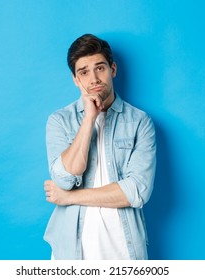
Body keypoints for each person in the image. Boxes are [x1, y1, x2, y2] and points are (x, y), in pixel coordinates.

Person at [43, 34, 156, 260]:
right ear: (76, 79)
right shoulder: (59, 121)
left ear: (112, 69)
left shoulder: (140, 122)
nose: (93, 78)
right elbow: (64, 179)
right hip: (72, 253)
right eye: (83, 72)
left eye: (100, 68)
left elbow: (137, 192)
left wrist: (69, 197)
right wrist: (89, 119)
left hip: (125, 252)